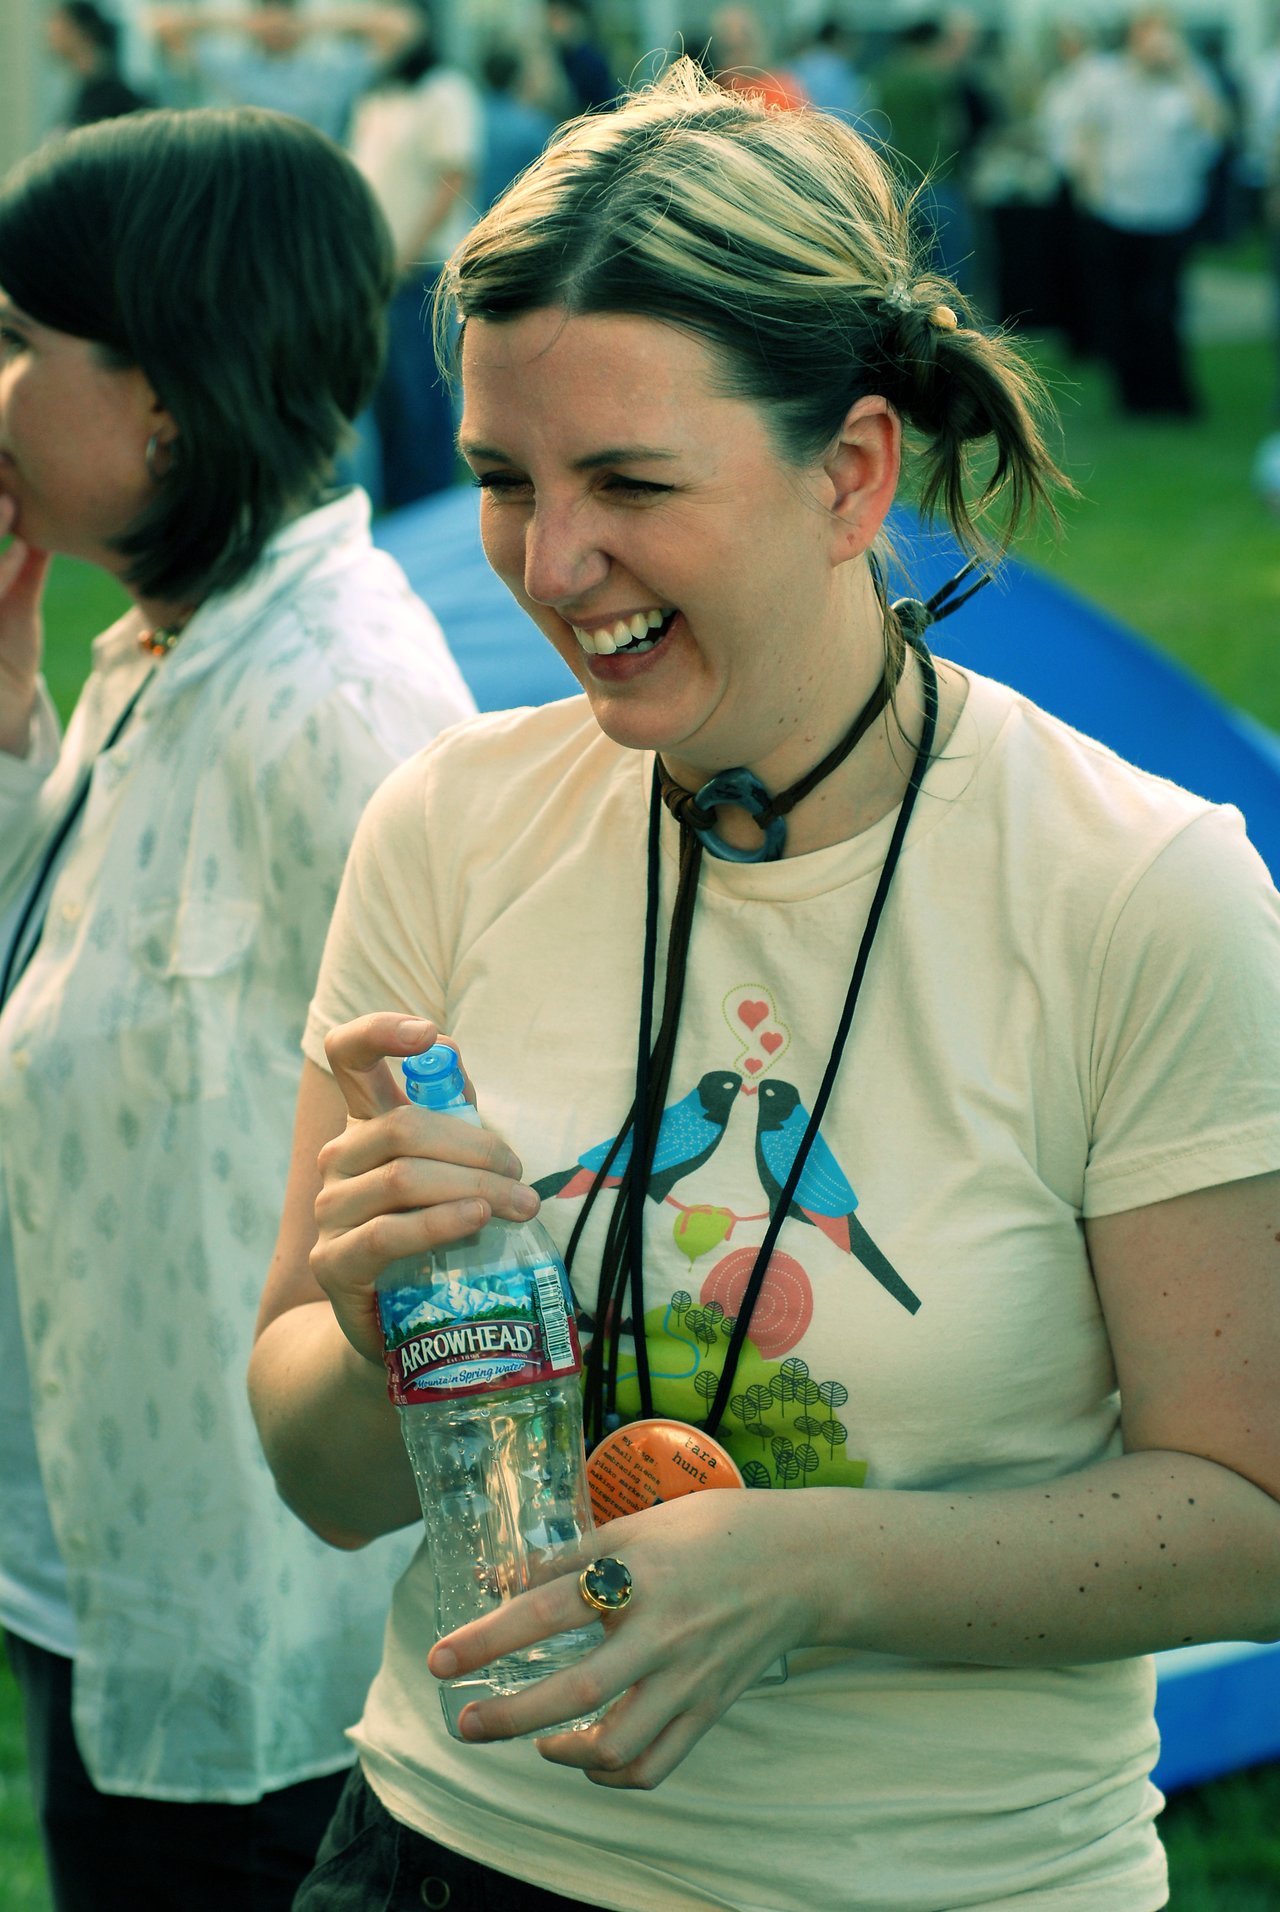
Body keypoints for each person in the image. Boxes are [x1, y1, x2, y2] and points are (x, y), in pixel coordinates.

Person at [249, 58, 1280, 1912]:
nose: (554, 566)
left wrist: (814, 1563)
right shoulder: (451, 824)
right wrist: (368, 1306)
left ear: (851, 471)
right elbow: (325, 1474)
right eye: (499, 479)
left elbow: (1256, 1514)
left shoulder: (1138, 884)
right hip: (443, 1848)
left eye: (632, 482)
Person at [0, 107, 475, 1912]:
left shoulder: (335, 706)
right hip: (102, 1555)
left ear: (169, 397)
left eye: (19, 339)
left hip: (268, 1636)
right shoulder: (162, 652)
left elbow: (468, 1179)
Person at [1055, 10, 1225, 417]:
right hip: (1116, 211)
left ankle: (1171, 392)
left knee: (1163, 305)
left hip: (1170, 212)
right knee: (1122, 309)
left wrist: (1183, 70)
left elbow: (1216, 128)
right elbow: (1083, 134)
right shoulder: (1105, 79)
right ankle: (1133, 395)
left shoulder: (1189, 79)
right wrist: (1091, 190)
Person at [347, 2, 481, 507]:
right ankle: (403, 510)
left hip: (422, 268)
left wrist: (405, 252)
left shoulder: (444, 89)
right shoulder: (377, 95)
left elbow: (455, 176)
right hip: (379, 272)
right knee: (387, 402)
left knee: (421, 398)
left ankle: (428, 510)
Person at [147, 0, 418, 142]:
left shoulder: (330, 71)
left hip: (319, 180)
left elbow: (403, 27)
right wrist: (245, 24)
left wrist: (309, 25)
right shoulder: (238, 69)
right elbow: (162, 26)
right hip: (251, 180)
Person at [45, 1, 154, 128]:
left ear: (82, 31)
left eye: (60, 26)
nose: (50, 33)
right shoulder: (84, 90)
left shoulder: (115, 97)